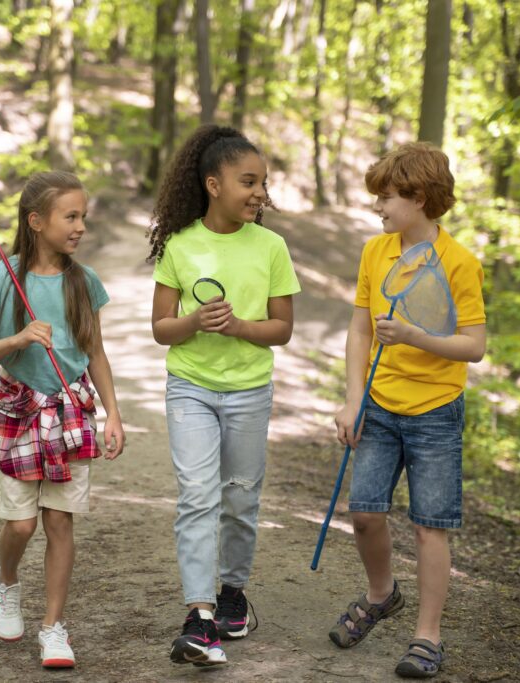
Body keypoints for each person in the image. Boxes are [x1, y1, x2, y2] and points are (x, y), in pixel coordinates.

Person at [328, 142, 485, 678]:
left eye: (387, 197)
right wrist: (353, 400)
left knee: (428, 527)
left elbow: (474, 346)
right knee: (366, 513)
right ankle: (381, 595)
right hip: (379, 405)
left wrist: (417, 336)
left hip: (436, 412)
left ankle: (427, 635)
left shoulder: (460, 263)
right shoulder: (377, 251)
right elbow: (358, 328)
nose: (379, 208)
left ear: (419, 197)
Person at [147, 124, 301, 667]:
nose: (260, 193)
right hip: (190, 387)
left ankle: (233, 591)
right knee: (197, 496)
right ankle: (200, 615)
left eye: (263, 183)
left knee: (239, 498)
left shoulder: (272, 247)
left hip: (248, 392)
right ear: (214, 184)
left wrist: (237, 327)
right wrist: (193, 320)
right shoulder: (182, 246)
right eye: (248, 181)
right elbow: (161, 329)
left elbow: (282, 329)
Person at [0, 170, 125, 669]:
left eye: (83, 217)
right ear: (36, 221)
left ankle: (53, 628)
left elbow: (95, 351)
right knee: (20, 524)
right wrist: (16, 339)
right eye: (70, 216)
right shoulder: (3, 277)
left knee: (60, 521)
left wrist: (114, 414)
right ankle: (6, 582)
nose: (80, 226)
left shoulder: (85, 281)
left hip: (70, 408)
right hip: (18, 409)